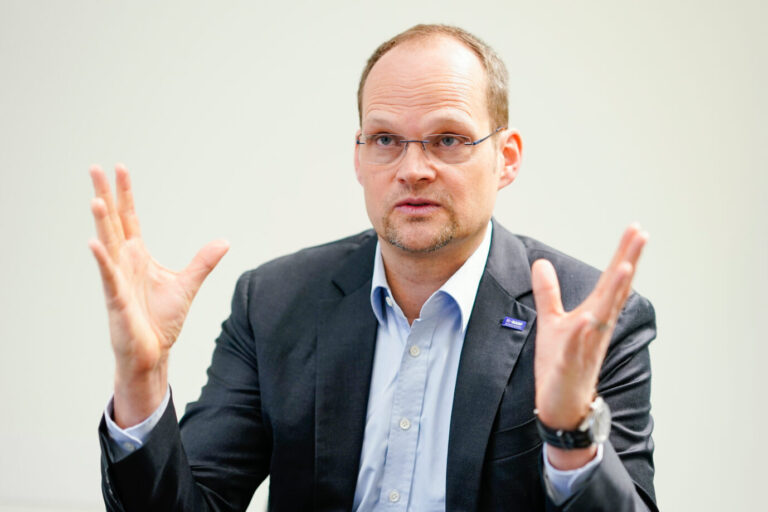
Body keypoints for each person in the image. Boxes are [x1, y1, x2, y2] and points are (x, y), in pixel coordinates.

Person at [90, 24, 657, 511]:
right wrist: (141, 380)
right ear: (359, 157)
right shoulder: (273, 302)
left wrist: (571, 434)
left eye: (448, 139)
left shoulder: (587, 317)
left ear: (505, 159)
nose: (413, 169)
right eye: (386, 139)